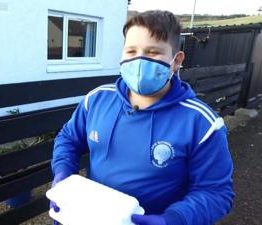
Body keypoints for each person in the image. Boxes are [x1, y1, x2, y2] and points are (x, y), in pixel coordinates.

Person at [49, 10, 234, 225]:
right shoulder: (97, 100)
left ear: (176, 61)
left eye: (153, 52)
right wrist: (62, 174)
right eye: (131, 51)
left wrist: (173, 219)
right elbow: (68, 139)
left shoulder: (202, 124)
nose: (139, 61)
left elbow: (216, 192)